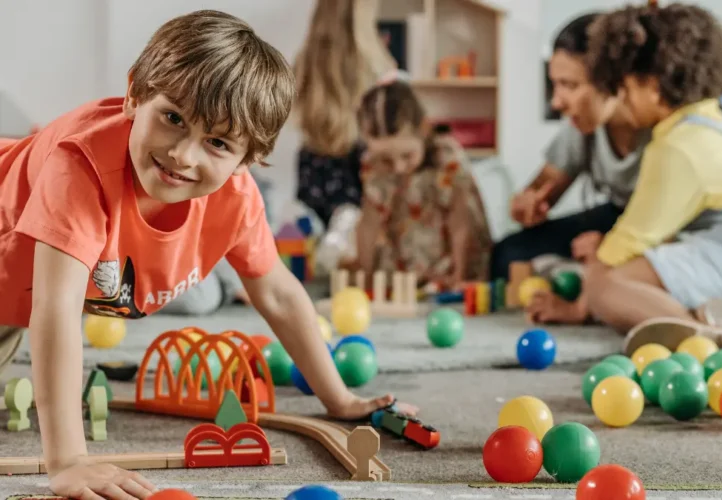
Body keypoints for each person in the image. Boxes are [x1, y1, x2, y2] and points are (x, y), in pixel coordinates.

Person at [0, 11, 414, 499]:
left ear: (248, 160)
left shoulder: (236, 198)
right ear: (135, 94)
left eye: (217, 143)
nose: (184, 155)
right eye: (172, 118)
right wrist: (67, 460)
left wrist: (339, 398)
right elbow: (55, 308)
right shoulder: (79, 168)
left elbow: (278, 292)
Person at [580, 2, 722, 354]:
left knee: (603, 286)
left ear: (652, 85)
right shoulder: (710, 120)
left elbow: (627, 242)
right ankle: (711, 316)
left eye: (625, 88)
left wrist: (581, 301)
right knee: (626, 273)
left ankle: (700, 337)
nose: (623, 101)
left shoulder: (677, 147)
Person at [489, 12, 650, 323]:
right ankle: (584, 277)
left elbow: (668, 228)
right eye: (554, 84)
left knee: (616, 266)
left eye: (570, 85)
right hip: (615, 215)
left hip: (659, 228)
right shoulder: (582, 127)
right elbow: (543, 187)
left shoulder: (662, 133)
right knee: (507, 253)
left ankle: (591, 287)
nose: (556, 102)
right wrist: (527, 204)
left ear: (613, 81)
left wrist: (612, 250)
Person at [353, 80, 493, 290]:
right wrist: (366, 277)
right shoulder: (373, 165)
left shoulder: (445, 157)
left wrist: (460, 275)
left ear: (424, 129)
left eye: (407, 156)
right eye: (386, 159)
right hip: (404, 264)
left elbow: (461, 221)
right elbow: (368, 224)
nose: (398, 167)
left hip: (450, 259)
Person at [292, 0, 396, 229]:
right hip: (360, 167)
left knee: (314, 249)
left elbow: (297, 115)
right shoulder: (376, 64)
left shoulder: (306, 59)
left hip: (315, 167)